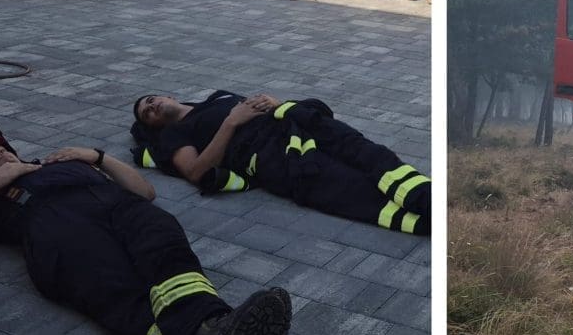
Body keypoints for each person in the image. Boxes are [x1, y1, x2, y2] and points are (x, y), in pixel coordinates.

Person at [0, 123, 291, 335]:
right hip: (60, 233)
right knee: (125, 293)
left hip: (120, 205)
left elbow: (144, 191)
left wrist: (98, 157)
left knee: (166, 248)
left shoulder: (54, 162)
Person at [131, 90, 431, 236]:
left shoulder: (217, 97)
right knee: (351, 189)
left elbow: (258, 107)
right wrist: (231, 123)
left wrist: (275, 104)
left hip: (295, 125)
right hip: (272, 156)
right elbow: (197, 172)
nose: (152, 106)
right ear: (153, 125)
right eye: (147, 112)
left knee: (370, 154)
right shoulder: (173, 135)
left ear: (167, 95)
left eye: (151, 100)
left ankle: (429, 199)